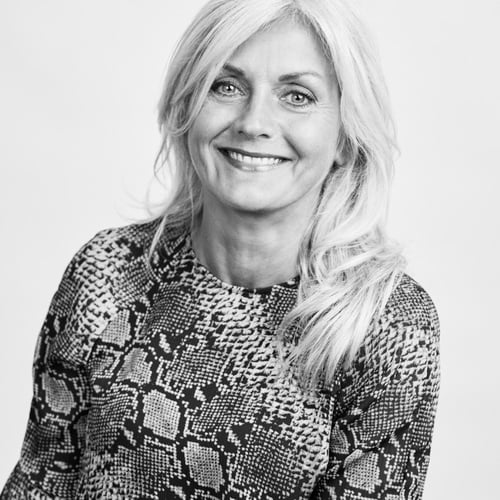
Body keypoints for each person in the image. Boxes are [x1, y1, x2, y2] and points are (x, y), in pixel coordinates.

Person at [1, 0, 440, 498]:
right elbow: (40, 481)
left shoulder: (385, 323)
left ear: (345, 134)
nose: (253, 122)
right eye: (226, 86)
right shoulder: (108, 271)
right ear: (187, 105)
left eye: (297, 96)